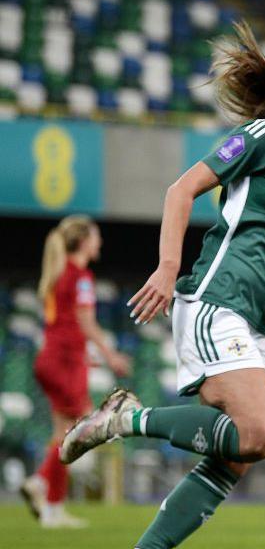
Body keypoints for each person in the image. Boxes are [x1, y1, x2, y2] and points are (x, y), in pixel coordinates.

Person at [57, 22, 265, 549]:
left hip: (253, 319)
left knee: (234, 458)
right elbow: (181, 190)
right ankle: (127, 418)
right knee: (259, 436)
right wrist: (166, 265)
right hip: (215, 300)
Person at [20, 215, 131, 529]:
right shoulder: (80, 276)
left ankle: (53, 509)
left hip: (53, 358)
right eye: (96, 236)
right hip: (65, 361)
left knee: (63, 433)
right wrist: (110, 355)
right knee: (79, 431)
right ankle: (41, 483)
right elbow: (85, 322)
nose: (100, 242)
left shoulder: (58, 272)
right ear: (83, 241)